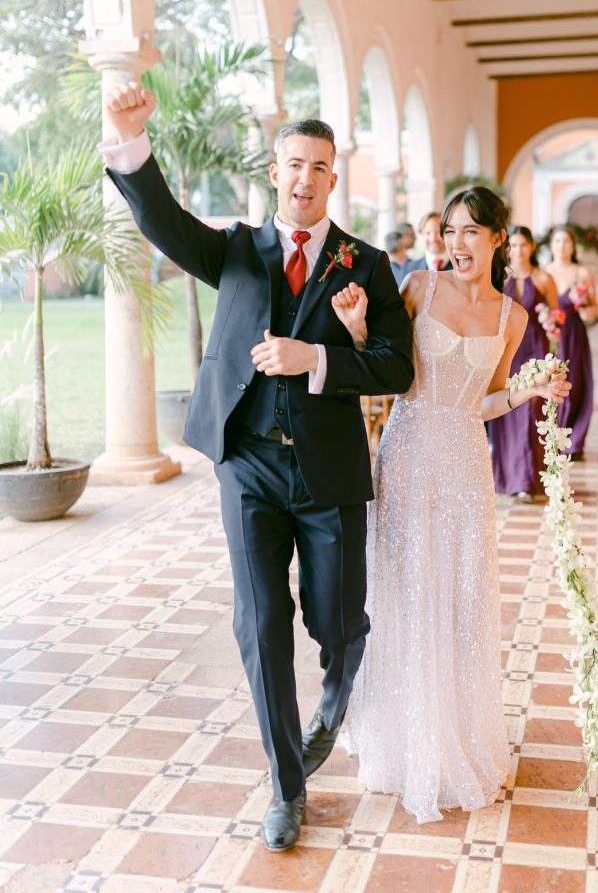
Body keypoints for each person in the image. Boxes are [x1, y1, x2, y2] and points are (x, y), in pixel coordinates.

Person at [99, 86, 414, 853]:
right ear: (276, 171)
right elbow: (163, 223)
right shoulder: (235, 248)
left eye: (320, 166)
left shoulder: (366, 265)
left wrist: (318, 359)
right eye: (294, 164)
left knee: (337, 623)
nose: (306, 178)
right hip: (248, 467)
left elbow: (395, 367)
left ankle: (333, 706)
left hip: (330, 473)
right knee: (261, 623)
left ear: (334, 178)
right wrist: (130, 142)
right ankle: (285, 785)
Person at [331, 188, 570, 823]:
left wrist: (529, 391)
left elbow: (484, 402)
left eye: (471, 232)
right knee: (407, 594)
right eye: (450, 230)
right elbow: (384, 370)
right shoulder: (418, 289)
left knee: (461, 600)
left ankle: (456, 737)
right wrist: (356, 331)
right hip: (408, 452)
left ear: (498, 239)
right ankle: (404, 738)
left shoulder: (513, 318)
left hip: (466, 464)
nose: (457, 244)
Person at [489, 224, 559, 501]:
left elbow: (556, 319)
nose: (518, 250)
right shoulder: (499, 277)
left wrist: (551, 324)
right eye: (514, 245)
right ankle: (508, 476)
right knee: (506, 410)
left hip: (534, 350)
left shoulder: (543, 278)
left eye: (524, 245)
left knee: (530, 412)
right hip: (506, 351)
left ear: (532, 248)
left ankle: (527, 479)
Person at [546, 225, 598, 461]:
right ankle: (551, 436)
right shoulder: (544, 272)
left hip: (574, 335)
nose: (562, 246)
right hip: (549, 335)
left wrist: (584, 304)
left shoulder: (582, 273)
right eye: (557, 241)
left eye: (566, 241)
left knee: (575, 384)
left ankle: (573, 440)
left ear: (573, 246)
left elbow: (593, 312)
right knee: (550, 384)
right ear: (551, 245)